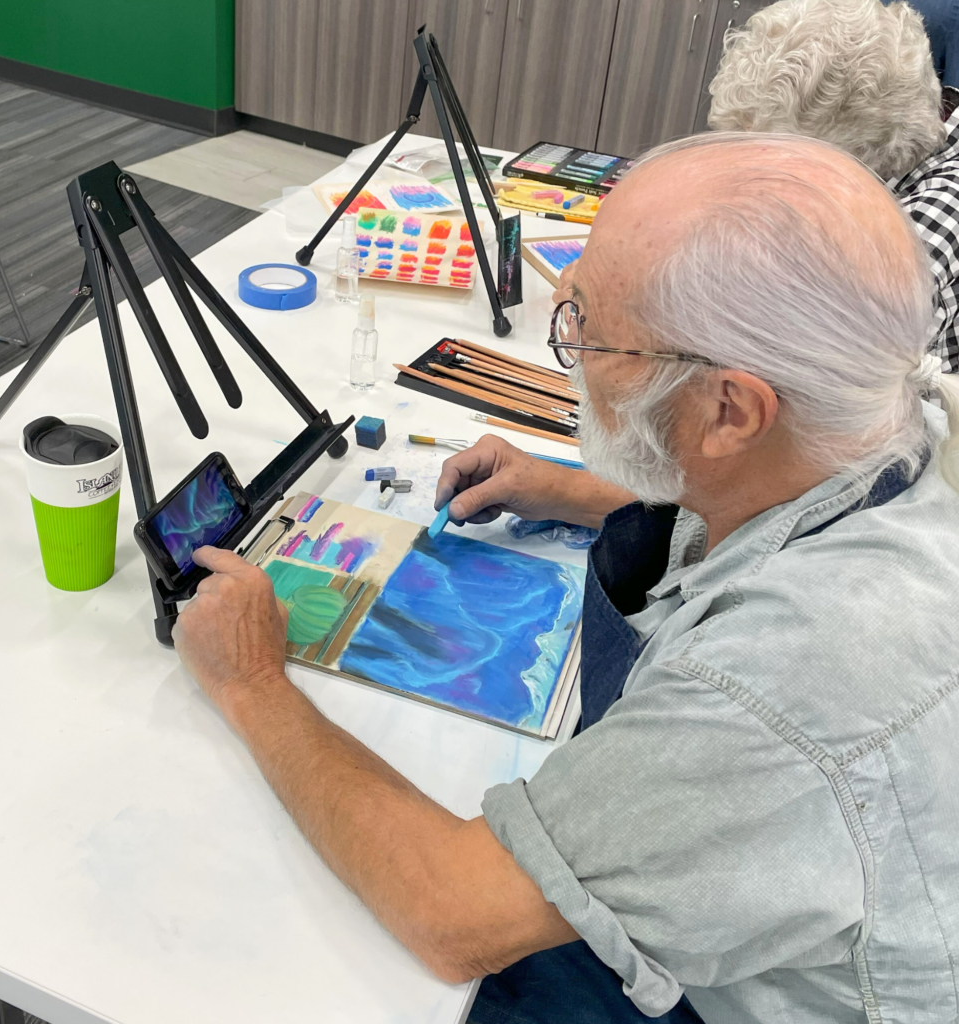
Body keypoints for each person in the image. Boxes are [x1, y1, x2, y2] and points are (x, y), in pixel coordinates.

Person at [172, 133, 959, 1023]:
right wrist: (581, 492)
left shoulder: (786, 676)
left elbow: (451, 913)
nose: (571, 348)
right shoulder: (879, 429)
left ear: (729, 410)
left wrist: (250, 682)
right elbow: (775, 487)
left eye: (587, 324)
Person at [706, 0, 959, 373]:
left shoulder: (935, 212)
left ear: (853, 163)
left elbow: (823, 360)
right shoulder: (871, 144)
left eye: (781, 169)